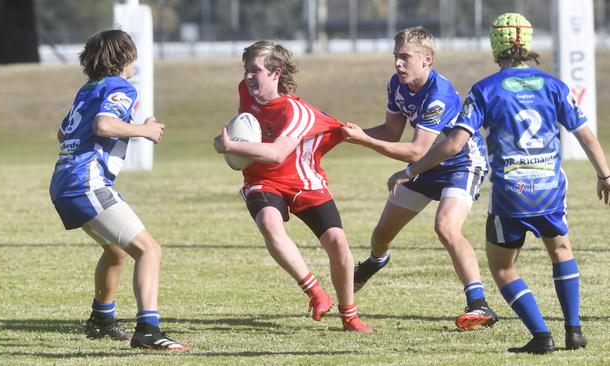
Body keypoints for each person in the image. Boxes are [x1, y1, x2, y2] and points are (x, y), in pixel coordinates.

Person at [387, 13, 610, 354]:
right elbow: (585, 135)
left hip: (512, 194)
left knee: (503, 266)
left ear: (495, 45)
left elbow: (453, 145)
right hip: (550, 189)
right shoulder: (553, 86)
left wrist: (413, 170)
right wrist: (604, 175)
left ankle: (540, 335)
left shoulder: (486, 90)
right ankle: (574, 330)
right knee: (562, 251)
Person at [341, 26, 498, 331]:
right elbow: (389, 133)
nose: (398, 64)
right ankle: (376, 261)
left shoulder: (437, 94)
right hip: (426, 166)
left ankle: (478, 303)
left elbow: (415, 151)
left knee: (446, 226)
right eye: (395, 57)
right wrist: (343, 134)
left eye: (405, 57)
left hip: (460, 163)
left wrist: (362, 140)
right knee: (381, 235)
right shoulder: (397, 85)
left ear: (427, 58)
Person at [213, 40, 373, 333]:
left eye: (255, 70)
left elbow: (276, 152)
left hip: (304, 181)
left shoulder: (296, 112)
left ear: (275, 73)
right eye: (246, 69)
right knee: (269, 223)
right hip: (262, 180)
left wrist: (231, 146)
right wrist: (229, 147)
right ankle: (315, 292)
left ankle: (350, 317)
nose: (248, 77)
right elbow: (245, 125)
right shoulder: (244, 92)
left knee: (338, 244)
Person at [49, 29, 189, 351]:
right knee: (149, 250)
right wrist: (145, 130)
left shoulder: (88, 89)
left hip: (64, 182)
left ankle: (101, 321)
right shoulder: (120, 86)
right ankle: (149, 330)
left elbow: (62, 133)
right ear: (127, 57)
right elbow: (103, 125)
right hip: (85, 182)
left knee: (116, 250)